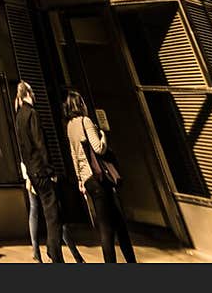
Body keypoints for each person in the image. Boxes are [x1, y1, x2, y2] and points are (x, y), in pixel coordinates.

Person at [63, 90, 137, 263]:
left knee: (112, 224)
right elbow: (98, 148)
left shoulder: (69, 126)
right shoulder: (85, 121)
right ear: (80, 104)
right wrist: (103, 136)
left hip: (88, 180)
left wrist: (80, 180)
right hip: (99, 179)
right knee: (109, 228)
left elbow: (74, 155)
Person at [13, 80, 64, 262]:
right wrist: (50, 169)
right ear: (28, 93)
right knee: (53, 214)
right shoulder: (32, 114)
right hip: (41, 170)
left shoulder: (18, 117)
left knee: (42, 210)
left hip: (32, 172)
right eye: (32, 92)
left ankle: (51, 252)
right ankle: (54, 253)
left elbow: (22, 147)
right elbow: (40, 143)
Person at [22, 160, 85, 262]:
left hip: (33, 174)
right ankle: (76, 256)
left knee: (35, 211)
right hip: (45, 175)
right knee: (56, 215)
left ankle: (37, 252)